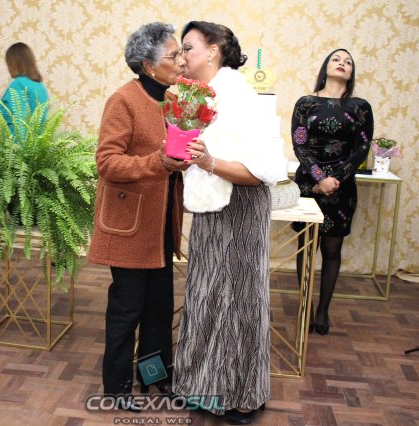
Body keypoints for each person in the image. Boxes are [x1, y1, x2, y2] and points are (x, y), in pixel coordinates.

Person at [172, 21, 286, 425]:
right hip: (211, 208)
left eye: (188, 47)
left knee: (239, 301)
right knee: (205, 294)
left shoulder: (240, 99)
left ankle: (243, 396)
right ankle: (201, 386)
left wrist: (208, 161)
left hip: (241, 208)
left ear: (214, 50)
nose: (181, 56)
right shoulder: (198, 97)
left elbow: (262, 171)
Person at [86, 22, 188, 409]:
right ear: (148, 65)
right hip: (129, 228)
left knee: (159, 309)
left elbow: (172, 156)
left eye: (181, 53)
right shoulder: (123, 101)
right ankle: (117, 389)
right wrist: (158, 163)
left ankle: (154, 377)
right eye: (174, 55)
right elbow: (107, 163)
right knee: (127, 310)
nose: (181, 61)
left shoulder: (173, 102)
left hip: (161, 226)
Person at [290, 49, 374, 336]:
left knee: (332, 249)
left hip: (342, 187)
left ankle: (323, 309)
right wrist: (318, 178)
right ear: (326, 66)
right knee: (306, 247)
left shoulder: (360, 107)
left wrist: (334, 179)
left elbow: (362, 148)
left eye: (348, 62)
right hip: (308, 185)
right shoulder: (306, 103)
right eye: (337, 59)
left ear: (351, 73)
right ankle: (305, 305)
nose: (342, 63)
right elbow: (300, 144)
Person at [0, 42, 49, 134]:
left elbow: (20, 125)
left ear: (13, 63)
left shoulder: (19, 84)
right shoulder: (40, 86)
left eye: (8, 63)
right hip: (38, 142)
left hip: (16, 142)